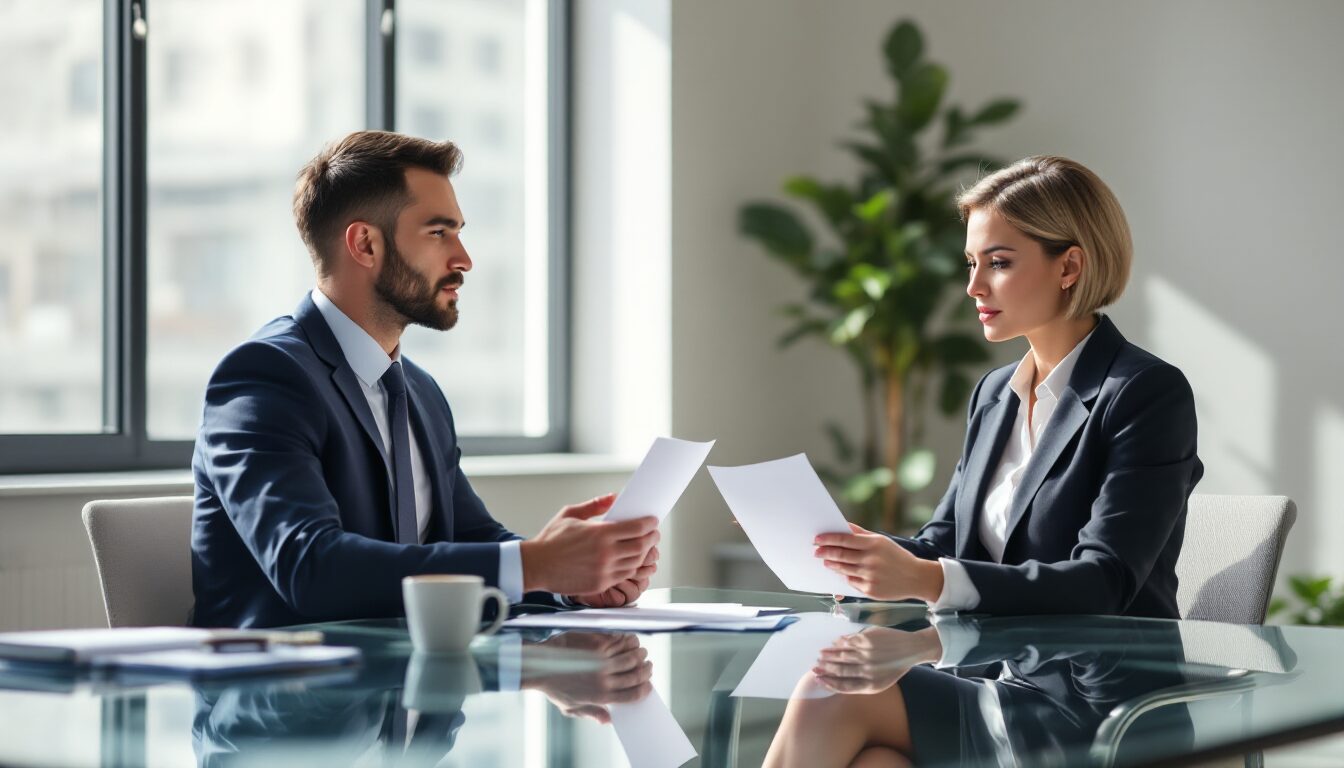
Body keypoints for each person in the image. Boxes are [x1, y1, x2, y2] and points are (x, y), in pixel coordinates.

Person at [191, 130, 658, 629]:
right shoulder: (265, 377)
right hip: (284, 695)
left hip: (409, 690)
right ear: (365, 244)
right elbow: (310, 566)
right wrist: (535, 564)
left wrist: (567, 581)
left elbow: (472, 540)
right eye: (439, 233)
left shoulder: (417, 390)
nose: (464, 259)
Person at [814, 156, 1203, 617]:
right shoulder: (995, 393)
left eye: (997, 263)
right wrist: (851, 553)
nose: (973, 286)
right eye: (970, 264)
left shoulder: (1145, 392)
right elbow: (946, 542)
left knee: (841, 686)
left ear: (1069, 267)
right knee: (828, 682)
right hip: (986, 667)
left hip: (1094, 680)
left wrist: (925, 578)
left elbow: (1105, 580)